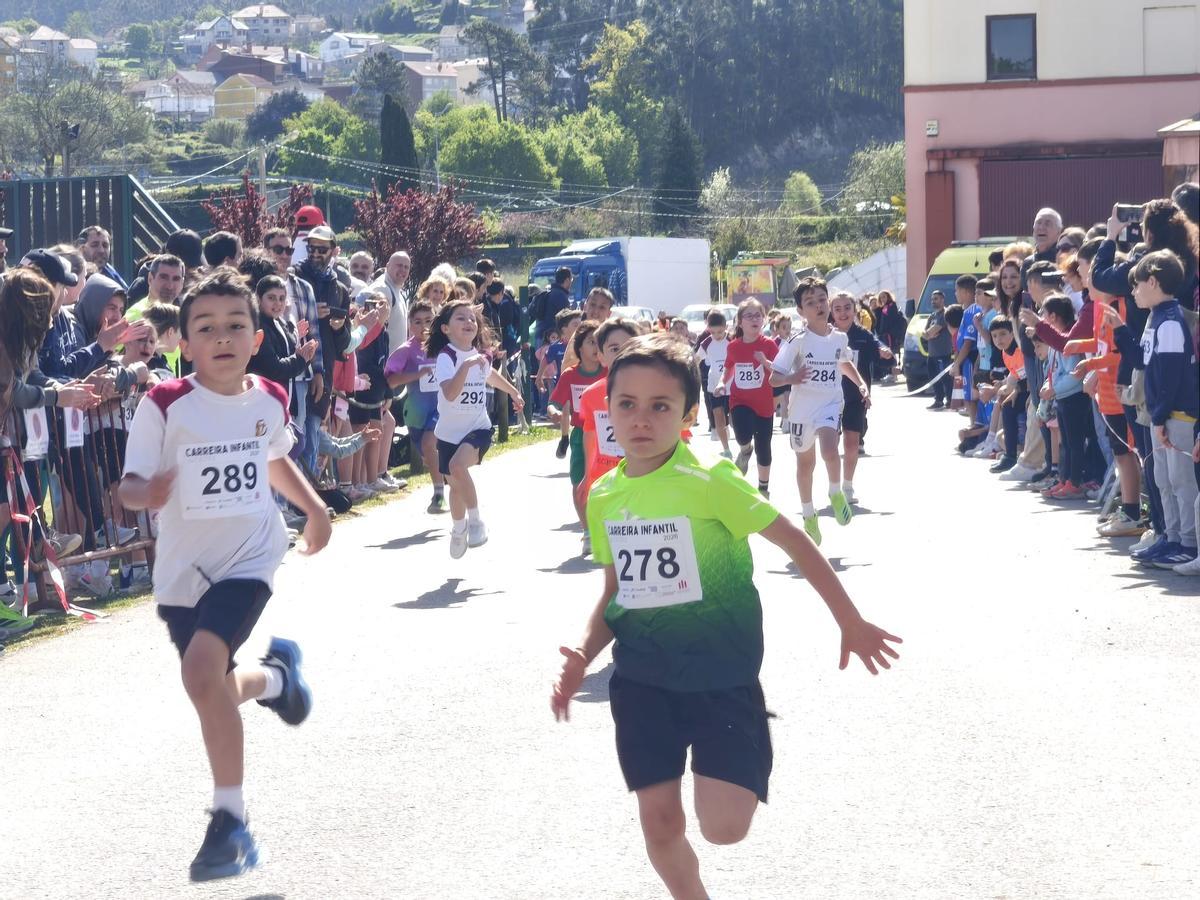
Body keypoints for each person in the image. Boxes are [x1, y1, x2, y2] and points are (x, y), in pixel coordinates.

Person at [550, 333, 902, 900]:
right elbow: (617, 592)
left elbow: (794, 541)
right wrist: (582, 653)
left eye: (660, 406)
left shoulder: (710, 480)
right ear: (607, 410)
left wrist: (850, 620)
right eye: (627, 405)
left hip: (721, 677)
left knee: (724, 828)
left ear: (689, 414)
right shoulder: (604, 495)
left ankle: (751, 733)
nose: (641, 420)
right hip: (642, 680)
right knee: (659, 821)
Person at [117, 269, 331, 882]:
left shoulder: (268, 396)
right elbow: (128, 487)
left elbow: (274, 458)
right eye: (206, 328)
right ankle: (275, 678)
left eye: (236, 325)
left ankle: (229, 822)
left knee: (200, 671)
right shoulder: (164, 405)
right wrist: (148, 493)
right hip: (185, 569)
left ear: (258, 337)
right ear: (183, 343)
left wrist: (313, 508)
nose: (222, 338)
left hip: (250, 557)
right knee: (211, 684)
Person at [1110, 250, 1199, 569]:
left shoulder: (1172, 320)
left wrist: (1159, 416)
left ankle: (1188, 543)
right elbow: (1143, 362)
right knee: (1163, 480)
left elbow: (1172, 374)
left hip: (1176, 415)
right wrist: (1120, 329)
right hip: (1162, 414)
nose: (1132, 292)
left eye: (1136, 285)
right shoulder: (1155, 318)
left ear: (1153, 281)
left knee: (1181, 481)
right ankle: (1171, 537)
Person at [772, 280, 868, 544]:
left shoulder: (839, 337)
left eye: (821, 300)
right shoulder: (797, 341)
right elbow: (774, 379)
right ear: (801, 311)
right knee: (806, 464)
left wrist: (860, 384)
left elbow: (843, 362)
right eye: (810, 303)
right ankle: (808, 514)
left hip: (829, 405)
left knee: (829, 450)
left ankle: (836, 493)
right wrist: (794, 377)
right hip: (802, 411)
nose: (818, 306)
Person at [427, 299, 524, 558]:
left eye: (472, 318)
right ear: (445, 328)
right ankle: (459, 529)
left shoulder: (480, 356)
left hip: (478, 429)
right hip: (448, 434)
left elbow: (489, 375)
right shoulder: (446, 356)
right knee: (456, 487)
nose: (468, 322)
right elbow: (449, 393)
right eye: (460, 318)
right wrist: (467, 366)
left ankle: (476, 521)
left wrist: (514, 392)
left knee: (458, 468)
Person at [829, 291, 892, 504]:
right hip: (828, 398)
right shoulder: (825, 336)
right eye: (837, 309)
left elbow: (878, 347)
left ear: (855, 310)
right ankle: (834, 485)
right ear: (831, 312)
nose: (843, 313)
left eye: (847, 308)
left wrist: (885, 352)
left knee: (852, 442)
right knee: (830, 444)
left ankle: (847, 486)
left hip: (855, 397)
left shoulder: (863, 335)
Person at [385, 300, 447, 514]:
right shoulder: (406, 350)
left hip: (443, 408)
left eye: (429, 321)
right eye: (418, 322)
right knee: (427, 455)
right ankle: (443, 475)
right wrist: (416, 375)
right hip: (416, 412)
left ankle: (439, 494)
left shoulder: (445, 346)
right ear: (410, 325)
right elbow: (391, 381)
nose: (424, 327)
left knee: (430, 445)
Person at [549, 320, 605, 551]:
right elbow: (554, 402)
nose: (596, 347)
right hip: (582, 433)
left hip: (607, 433)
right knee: (579, 481)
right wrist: (553, 412)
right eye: (591, 341)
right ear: (580, 347)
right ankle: (587, 531)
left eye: (599, 342)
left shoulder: (610, 372)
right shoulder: (570, 375)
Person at [716, 299, 778, 495]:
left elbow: (781, 370)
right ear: (740, 322)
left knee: (764, 446)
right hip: (740, 400)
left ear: (764, 320)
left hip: (764, 404)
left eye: (758, 315)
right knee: (742, 432)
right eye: (748, 316)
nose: (754, 319)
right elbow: (728, 367)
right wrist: (721, 382)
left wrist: (765, 361)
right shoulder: (733, 347)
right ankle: (744, 449)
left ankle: (763, 488)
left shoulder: (768, 345)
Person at [695, 310, 732, 457]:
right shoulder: (706, 343)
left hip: (731, 386)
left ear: (726, 327)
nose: (717, 335)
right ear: (709, 329)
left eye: (720, 331)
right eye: (714, 332)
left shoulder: (731, 341)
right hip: (713, 385)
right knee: (718, 415)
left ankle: (731, 431)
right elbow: (697, 359)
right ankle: (726, 449)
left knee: (731, 417)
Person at [923, 290, 953, 408]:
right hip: (932, 354)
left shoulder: (944, 314)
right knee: (934, 378)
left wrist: (929, 334)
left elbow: (933, 330)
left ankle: (949, 400)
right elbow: (924, 333)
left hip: (943, 353)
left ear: (942, 300)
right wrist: (929, 334)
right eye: (932, 299)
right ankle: (938, 400)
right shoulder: (932, 315)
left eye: (936, 299)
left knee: (945, 378)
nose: (933, 301)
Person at [536, 267, 572, 346]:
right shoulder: (561, 296)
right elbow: (567, 320)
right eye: (571, 280)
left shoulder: (549, 293)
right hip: (552, 339)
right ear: (567, 280)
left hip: (540, 336)